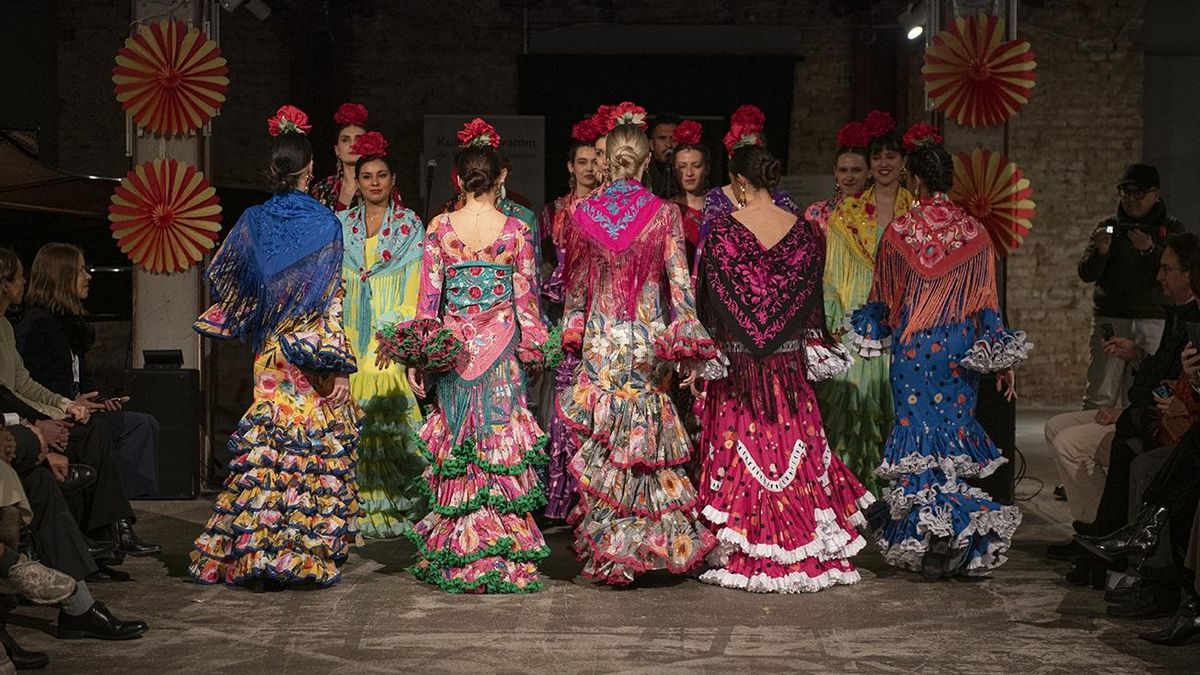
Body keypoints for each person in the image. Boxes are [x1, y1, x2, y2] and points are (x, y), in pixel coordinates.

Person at [190, 105, 363, 588]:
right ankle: (304, 552)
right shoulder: (328, 223)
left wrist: (254, 312)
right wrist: (341, 365)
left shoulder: (252, 220)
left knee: (270, 446)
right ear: (310, 170)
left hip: (269, 351)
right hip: (310, 350)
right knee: (308, 447)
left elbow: (221, 273)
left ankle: (257, 547)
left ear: (275, 170)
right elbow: (333, 297)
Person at [848, 124, 1027, 579]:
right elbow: (986, 301)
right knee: (950, 447)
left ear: (916, 182)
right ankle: (949, 535)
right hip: (959, 353)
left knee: (919, 446)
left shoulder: (900, 231)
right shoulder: (976, 233)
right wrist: (1000, 359)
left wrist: (872, 333)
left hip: (913, 352)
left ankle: (936, 538)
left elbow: (884, 298)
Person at [694, 142, 870, 593]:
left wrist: (708, 350)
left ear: (738, 183)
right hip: (788, 368)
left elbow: (709, 304)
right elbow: (812, 309)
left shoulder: (721, 232)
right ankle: (804, 539)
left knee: (743, 447)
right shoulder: (804, 234)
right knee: (794, 444)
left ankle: (746, 544)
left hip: (739, 370)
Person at [560, 121, 717, 585]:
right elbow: (680, 286)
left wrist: (571, 330)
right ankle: (650, 548)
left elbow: (577, 288)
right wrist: (689, 344)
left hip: (602, 342)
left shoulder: (582, 212)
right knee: (646, 450)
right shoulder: (664, 213)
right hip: (648, 343)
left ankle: (611, 552)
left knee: (609, 449)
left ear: (606, 161)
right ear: (650, 161)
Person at [397, 119, 550, 593]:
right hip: (502, 350)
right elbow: (527, 300)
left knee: (459, 447)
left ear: (458, 180)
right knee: (498, 446)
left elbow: (428, 303)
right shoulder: (517, 230)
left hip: (453, 350)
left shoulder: (440, 228)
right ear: (502, 176)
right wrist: (537, 349)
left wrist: (418, 358)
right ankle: (502, 552)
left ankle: (460, 551)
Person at [0, 247, 148, 642]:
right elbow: (7, 393)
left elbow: (25, 383)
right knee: (69, 443)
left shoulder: (7, 328)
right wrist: (39, 428)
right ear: (5, 284)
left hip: (24, 419)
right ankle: (107, 535)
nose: (25, 284)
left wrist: (67, 407)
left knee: (48, 474)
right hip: (12, 427)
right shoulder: (35, 323)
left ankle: (80, 602)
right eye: (18, 277)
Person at [1047, 233, 1200, 561]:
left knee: (1077, 443)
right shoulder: (1178, 315)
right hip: (1153, 413)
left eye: (1167, 269)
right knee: (1057, 427)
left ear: (1190, 275)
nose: (1159, 277)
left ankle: (1102, 536)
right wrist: (1138, 355)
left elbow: (1175, 392)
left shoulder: (1190, 319)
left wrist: (1135, 409)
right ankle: (1094, 530)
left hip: (1161, 420)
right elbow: (1167, 378)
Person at [14, 243, 162, 557]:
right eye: (82, 270)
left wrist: (98, 399)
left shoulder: (70, 324)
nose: (88, 276)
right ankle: (114, 528)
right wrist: (69, 402)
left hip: (73, 407)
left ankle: (117, 521)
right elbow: (26, 383)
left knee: (140, 425)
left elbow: (80, 379)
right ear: (63, 275)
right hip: (50, 411)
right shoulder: (37, 324)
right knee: (97, 432)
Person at [337, 131, 428, 539]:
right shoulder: (340, 226)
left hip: (388, 333)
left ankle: (395, 499)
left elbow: (416, 285)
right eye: (367, 176)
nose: (374, 182)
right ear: (356, 182)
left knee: (384, 384)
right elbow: (334, 283)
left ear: (393, 180)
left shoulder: (409, 226)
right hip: (349, 331)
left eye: (381, 175)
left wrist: (394, 335)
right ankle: (354, 501)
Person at [812, 114, 907, 497]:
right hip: (856, 326)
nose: (884, 163)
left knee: (897, 407)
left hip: (904, 324)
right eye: (877, 156)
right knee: (852, 409)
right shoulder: (846, 216)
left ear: (902, 162)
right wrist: (832, 324)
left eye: (890, 156)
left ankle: (894, 496)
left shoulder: (916, 212)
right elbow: (831, 276)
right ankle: (850, 496)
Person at [1078, 163, 1184, 410]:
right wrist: (1101, 251)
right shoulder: (1108, 225)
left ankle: (1132, 445)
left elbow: (1179, 274)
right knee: (1100, 393)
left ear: (1155, 194)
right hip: (1111, 317)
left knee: (1141, 393)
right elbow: (1086, 272)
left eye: (1139, 193)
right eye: (1126, 193)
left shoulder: (1170, 229)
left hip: (1153, 319)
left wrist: (1149, 250)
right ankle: (1089, 445)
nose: (1132, 200)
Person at [540, 119, 602, 521]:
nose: (588, 169)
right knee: (565, 406)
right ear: (570, 167)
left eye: (594, 161)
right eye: (581, 162)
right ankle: (563, 497)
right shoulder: (553, 213)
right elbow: (544, 265)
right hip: (563, 315)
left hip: (602, 313)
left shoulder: (605, 212)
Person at [669, 119, 708, 263]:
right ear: (674, 170)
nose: (689, 173)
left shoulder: (718, 207)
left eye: (696, 166)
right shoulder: (667, 210)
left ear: (706, 168)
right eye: (682, 166)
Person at [643, 113, 680, 199]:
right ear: (651, 144)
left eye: (673, 139)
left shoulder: (686, 173)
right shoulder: (643, 174)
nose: (668, 145)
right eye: (662, 138)